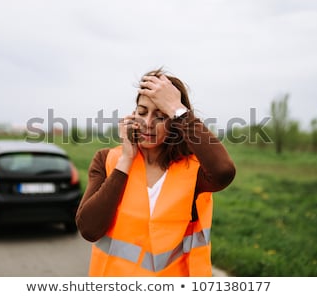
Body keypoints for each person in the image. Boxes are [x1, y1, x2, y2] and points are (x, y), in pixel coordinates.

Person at [75, 68, 236, 277]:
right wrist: (125, 161)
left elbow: (224, 171)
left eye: (160, 116)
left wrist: (178, 109)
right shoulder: (107, 159)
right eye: (142, 112)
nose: (147, 123)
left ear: (174, 122)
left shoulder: (193, 171)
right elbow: (89, 229)